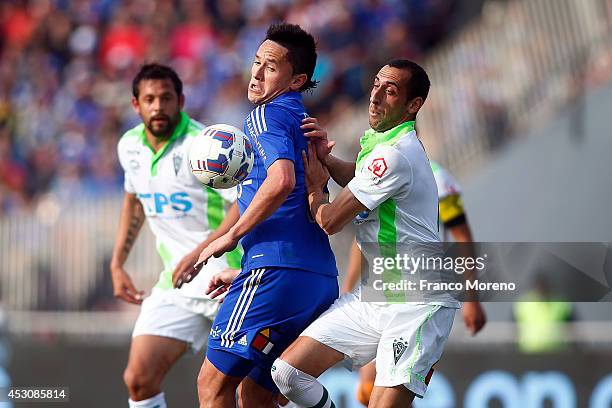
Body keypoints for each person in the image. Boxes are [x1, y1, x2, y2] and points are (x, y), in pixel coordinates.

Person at [269, 59, 459, 407]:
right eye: (375, 85)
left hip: (418, 302)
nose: (375, 96)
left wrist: (316, 189)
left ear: (413, 105)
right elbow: (358, 176)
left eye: (390, 90)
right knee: (288, 372)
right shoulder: (383, 147)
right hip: (377, 294)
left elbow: (329, 221)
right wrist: (326, 162)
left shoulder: (394, 155)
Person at [175, 24, 338, 407]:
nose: (257, 73)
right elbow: (266, 195)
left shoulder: (264, 117)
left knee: (212, 386)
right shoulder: (300, 121)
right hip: (315, 279)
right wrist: (225, 254)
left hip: (275, 272)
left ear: (297, 79)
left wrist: (231, 240)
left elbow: (280, 181)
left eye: (270, 66)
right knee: (255, 396)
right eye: (256, 62)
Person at [111, 63, 241, 408]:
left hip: (229, 282)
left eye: (166, 98)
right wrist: (117, 263)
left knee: (242, 392)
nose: (158, 107)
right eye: (149, 99)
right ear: (135, 104)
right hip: (177, 285)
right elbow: (134, 200)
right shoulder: (129, 147)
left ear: (180, 100)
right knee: (139, 380)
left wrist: (201, 254)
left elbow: (243, 204)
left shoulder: (205, 146)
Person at [342, 160, 487, 406]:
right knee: (370, 391)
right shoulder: (377, 172)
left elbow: (462, 236)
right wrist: (348, 288)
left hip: (420, 295)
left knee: (386, 387)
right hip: (381, 288)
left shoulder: (438, 177)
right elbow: (362, 236)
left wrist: (471, 297)